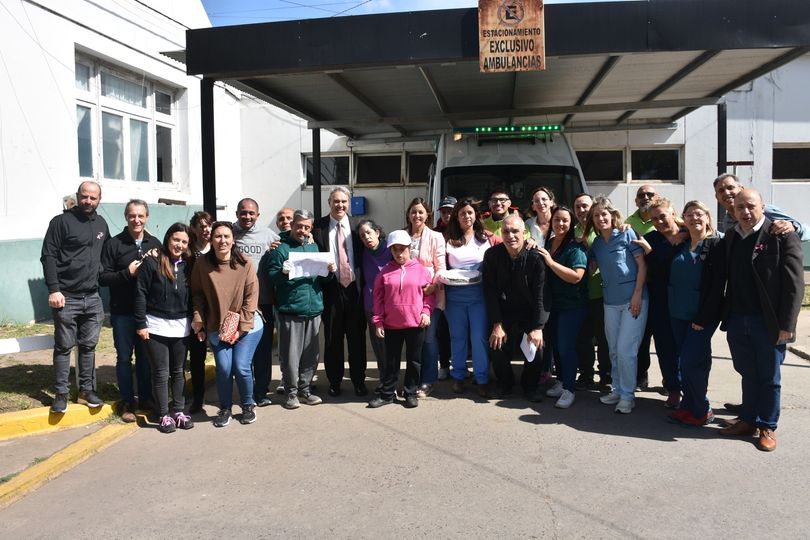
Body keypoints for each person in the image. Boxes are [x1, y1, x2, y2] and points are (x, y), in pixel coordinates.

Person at [718, 189, 804, 452]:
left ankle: (767, 425)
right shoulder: (732, 235)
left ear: (763, 207)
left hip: (768, 322)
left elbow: (794, 284)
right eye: (739, 207)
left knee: (769, 377)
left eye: (750, 206)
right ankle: (748, 420)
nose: (745, 211)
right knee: (747, 373)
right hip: (737, 318)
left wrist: (787, 325)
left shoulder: (781, 234)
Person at [41, 181, 109, 413]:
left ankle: (86, 391)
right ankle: (61, 393)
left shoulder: (101, 223)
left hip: (92, 297)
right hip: (66, 297)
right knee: (63, 347)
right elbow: (48, 256)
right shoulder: (61, 222)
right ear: (78, 196)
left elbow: (109, 251)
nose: (88, 201)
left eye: (93, 197)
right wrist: (54, 289)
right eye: (84, 196)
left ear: (99, 199)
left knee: (89, 346)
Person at [191, 221, 263, 428]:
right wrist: (198, 318)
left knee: (240, 367)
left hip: (248, 324)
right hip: (217, 324)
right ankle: (225, 408)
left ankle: (248, 406)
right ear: (211, 240)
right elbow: (197, 294)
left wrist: (241, 329)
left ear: (233, 240)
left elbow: (251, 297)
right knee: (223, 368)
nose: (222, 240)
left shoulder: (245, 262)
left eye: (226, 236)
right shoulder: (202, 264)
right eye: (218, 236)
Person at [267, 209, 336, 409]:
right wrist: (282, 272)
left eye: (306, 227)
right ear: (292, 225)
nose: (302, 230)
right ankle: (291, 392)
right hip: (291, 309)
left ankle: (305, 390)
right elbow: (271, 277)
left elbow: (322, 278)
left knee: (311, 354)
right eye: (299, 226)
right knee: (290, 355)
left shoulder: (313, 247)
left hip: (313, 307)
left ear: (311, 228)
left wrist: (330, 272)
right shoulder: (280, 249)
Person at [586, 196, 648, 414]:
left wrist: (637, 295)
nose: (601, 218)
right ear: (592, 220)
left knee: (625, 350)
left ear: (612, 215)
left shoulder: (626, 233)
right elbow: (591, 267)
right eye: (596, 215)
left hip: (634, 299)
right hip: (610, 302)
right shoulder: (595, 244)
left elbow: (642, 266)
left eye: (604, 214)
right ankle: (618, 388)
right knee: (613, 349)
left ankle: (628, 396)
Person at [99, 199, 159, 422]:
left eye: (141, 216)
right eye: (132, 215)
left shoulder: (154, 243)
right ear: (126, 217)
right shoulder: (114, 244)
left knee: (145, 358)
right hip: (122, 312)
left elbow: (162, 274)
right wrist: (127, 273)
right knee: (124, 358)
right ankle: (127, 401)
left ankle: (145, 397)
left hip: (146, 313)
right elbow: (102, 278)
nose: (137, 220)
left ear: (147, 217)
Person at [666, 201, 724, 426]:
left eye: (698, 214)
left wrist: (703, 318)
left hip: (701, 317)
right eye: (688, 215)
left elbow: (717, 286)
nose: (693, 218)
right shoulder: (681, 243)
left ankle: (702, 409)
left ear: (707, 217)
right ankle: (689, 405)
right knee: (689, 362)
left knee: (691, 362)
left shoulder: (716, 245)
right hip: (677, 312)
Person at [134, 223, 194, 433]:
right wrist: (141, 323)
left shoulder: (190, 264)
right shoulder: (152, 262)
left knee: (178, 371)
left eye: (184, 241)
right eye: (176, 239)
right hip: (156, 325)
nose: (179, 244)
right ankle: (163, 415)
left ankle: (178, 411)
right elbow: (140, 293)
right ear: (168, 239)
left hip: (181, 327)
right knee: (161, 372)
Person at [482, 214, 548, 402]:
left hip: (529, 312)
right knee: (496, 343)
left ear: (524, 233)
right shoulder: (492, 256)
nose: (510, 235)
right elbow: (490, 292)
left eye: (515, 231)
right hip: (504, 312)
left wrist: (537, 328)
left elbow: (541, 295)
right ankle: (505, 384)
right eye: (506, 231)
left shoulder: (535, 258)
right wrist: (496, 323)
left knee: (537, 346)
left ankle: (531, 386)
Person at [311, 186, 367, 397]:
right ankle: (334, 381)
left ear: (349, 203)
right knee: (333, 340)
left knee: (357, 340)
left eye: (344, 201)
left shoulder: (358, 227)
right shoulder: (317, 227)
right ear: (329, 203)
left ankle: (359, 381)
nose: (340, 205)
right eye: (336, 201)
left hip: (354, 291)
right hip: (330, 290)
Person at [370, 230, 435, 408]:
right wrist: (378, 321)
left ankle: (410, 392)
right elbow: (378, 299)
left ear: (410, 247)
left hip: (415, 323)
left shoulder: (421, 270)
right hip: (392, 324)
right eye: (395, 249)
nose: (399, 253)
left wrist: (426, 312)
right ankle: (387, 394)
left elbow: (429, 295)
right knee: (391, 361)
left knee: (414, 360)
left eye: (402, 249)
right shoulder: (384, 273)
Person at [442, 198, 501, 396]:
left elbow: (509, 246)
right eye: (462, 213)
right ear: (456, 218)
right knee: (457, 338)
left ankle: (482, 378)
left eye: (470, 212)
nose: (466, 216)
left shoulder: (487, 237)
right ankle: (458, 376)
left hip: (479, 296)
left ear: (475, 215)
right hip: (454, 297)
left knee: (479, 338)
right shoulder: (447, 239)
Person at [637, 197, 686, 408]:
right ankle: (674, 389)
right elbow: (655, 268)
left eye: (663, 216)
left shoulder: (689, 234)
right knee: (665, 347)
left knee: (687, 349)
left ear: (673, 213)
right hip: (660, 301)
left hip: (686, 301)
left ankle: (691, 390)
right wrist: (650, 251)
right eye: (655, 219)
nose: (659, 222)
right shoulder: (651, 239)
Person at [537, 207, 588, 408]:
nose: (560, 224)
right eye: (557, 220)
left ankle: (569, 389)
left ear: (571, 223)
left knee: (566, 346)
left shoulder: (576, 247)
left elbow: (576, 277)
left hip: (572, 305)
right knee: (556, 345)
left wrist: (550, 262)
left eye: (565, 220)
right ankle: (561, 381)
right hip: (554, 305)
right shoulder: (550, 243)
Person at [232, 198, 279, 408]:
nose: (247, 216)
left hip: (264, 303)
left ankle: (261, 392)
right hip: (236, 305)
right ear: (237, 213)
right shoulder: (229, 234)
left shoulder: (269, 235)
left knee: (262, 350)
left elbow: (287, 249)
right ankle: (245, 392)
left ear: (258, 215)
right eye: (243, 213)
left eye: (251, 213)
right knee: (240, 350)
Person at [404, 197, 446, 398]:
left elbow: (441, 267)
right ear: (408, 214)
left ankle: (428, 379)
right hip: (406, 296)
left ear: (427, 214)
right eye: (413, 212)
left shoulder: (436, 237)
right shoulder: (402, 235)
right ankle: (412, 379)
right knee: (412, 340)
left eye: (421, 212)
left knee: (428, 338)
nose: (417, 215)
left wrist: (433, 286)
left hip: (430, 293)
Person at [572, 193, 611, 389]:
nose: (581, 210)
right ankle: (586, 372)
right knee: (583, 336)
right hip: (580, 291)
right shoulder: (573, 230)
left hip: (600, 291)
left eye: (585, 206)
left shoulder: (602, 228)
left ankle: (605, 375)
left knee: (603, 337)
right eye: (577, 207)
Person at [624, 184, 657, 390]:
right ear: (636, 201)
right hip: (638, 285)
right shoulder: (628, 223)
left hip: (661, 285)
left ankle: (672, 382)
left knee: (663, 337)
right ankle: (640, 375)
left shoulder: (667, 218)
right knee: (641, 336)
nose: (645, 197)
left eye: (649, 194)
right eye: (641, 195)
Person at [714, 173, 809, 241]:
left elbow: (806, 231)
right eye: (721, 191)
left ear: (741, 189)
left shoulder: (764, 211)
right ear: (717, 197)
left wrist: (793, 227)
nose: (726, 193)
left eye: (730, 188)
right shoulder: (727, 220)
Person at [358, 219, 391, 389]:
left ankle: (393, 381)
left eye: (369, 233)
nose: (366, 238)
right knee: (379, 347)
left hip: (393, 306)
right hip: (371, 305)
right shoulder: (362, 252)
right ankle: (384, 381)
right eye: (362, 236)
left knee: (393, 346)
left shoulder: (392, 249)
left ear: (377, 232)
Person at [187, 210, 213, 413]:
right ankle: (198, 398)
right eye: (201, 226)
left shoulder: (220, 247)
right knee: (196, 356)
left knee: (224, 354)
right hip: (192, 309)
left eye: (208, 225)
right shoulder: (187, 251)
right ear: (194, 228)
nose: (205, 229)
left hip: (216, 309)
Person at [433, 196, 456, 380]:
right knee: (442, 329)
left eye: (450, 210)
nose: (447, 214)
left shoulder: (464, 230)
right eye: (444, 211)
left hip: (459, 287)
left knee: (459, 329)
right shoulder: (435, 232)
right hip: (440, 287)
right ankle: (444, 364)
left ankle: (460, 364)